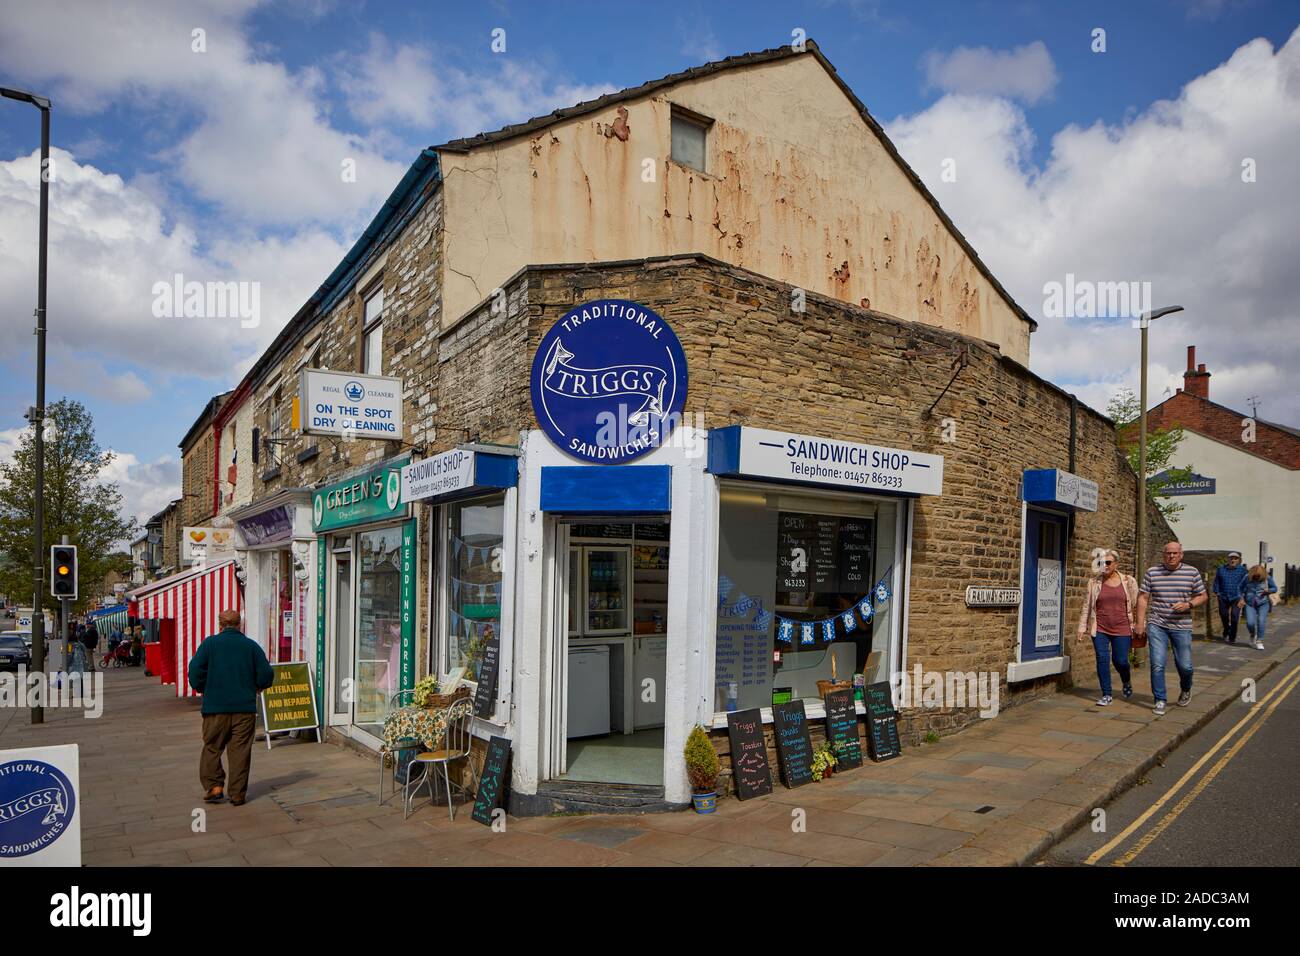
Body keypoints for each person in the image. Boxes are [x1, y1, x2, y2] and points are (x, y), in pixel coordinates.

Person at [187, 609, 274, 806]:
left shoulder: (210, 644)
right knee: (240, 751)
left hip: (215, 708)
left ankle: (214, 786)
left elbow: (194, 671)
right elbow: (266, 674)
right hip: (244, 709)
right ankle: (237, 793)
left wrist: (202, 687)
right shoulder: (250, 646)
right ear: (239, 625)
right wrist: (257, 686)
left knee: (212, 748)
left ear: (220, 625)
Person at [1137, 541, 1209, 716]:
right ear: (1163, 554)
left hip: (1182, 625)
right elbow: (1143, 598)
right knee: (1157, 664)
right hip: (1157, 624)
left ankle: (1186, 688)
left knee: (1185, 666)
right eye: (1168, 553)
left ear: (1181, 555)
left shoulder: (1191, 572)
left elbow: (1203, 596)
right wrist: (1140, 623)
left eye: (1175, 553)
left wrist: (1188, 604)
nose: (1171, 556)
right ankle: (1160, 700)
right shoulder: (1152, 573)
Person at [1075, 549, 1140, 706]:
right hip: (1100, 628)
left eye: (1108, 562)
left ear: (1116, 564)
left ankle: (1126, 680)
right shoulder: (1094, 582)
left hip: (1123, 627)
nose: (1105, 565)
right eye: (1101, 562)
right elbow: (1087, 605)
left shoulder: (1129, 581)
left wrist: (1139, 625)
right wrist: (1082, 627)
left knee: (1120, 660)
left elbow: (1136, 604)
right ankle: (1107, 694)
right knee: (1102, 659)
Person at [1211, 552, 1248, 644]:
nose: (1233, 560)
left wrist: (1243, 596)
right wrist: (1217, 592)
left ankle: (1232, 637)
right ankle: (1227, 629)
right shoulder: (1221, 569)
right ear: (1228, 559)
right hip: (1223, 596)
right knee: (1224, 615)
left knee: (1235, 617)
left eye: (1235, 558)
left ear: (1239, 560)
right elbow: (1217, 581)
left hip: (1237, 597)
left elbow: (1246, 584)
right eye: (1231, 558)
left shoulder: (1243, 570)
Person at [1241, 564, 1278, 651]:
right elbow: (1240, 588)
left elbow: (1274, 588)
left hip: (1263, 603)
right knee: (1250, 623)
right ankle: (1252, 634)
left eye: (1258, 576)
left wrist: (1269, 591)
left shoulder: (1267, 578)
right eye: (1255, 576)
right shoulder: (1247, 577)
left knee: (1261, 621)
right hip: (1250, 603)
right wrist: (1241, 598)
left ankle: (1259, 641)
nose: (1256, 578)